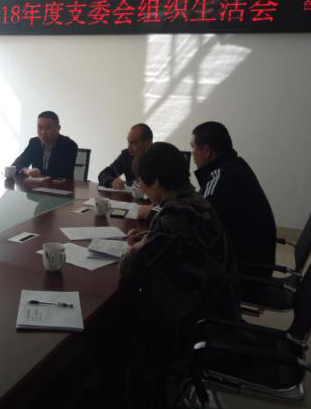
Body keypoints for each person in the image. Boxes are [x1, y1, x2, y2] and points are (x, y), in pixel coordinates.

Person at [113, 142, 238, 408]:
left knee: (117, 319)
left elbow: (129, 269)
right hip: (214, 304)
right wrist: (148, 239)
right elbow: (173, 244)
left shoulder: (175, 217)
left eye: (142, 182)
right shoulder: (194, 201)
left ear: (157, 181)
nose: (141, 189)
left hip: (192, 322)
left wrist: (133, 247)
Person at [191, 121, 277, 277]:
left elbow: (197, 225)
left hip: (240, 273)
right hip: (255, 263)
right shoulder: (236, 165)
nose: (192, 155)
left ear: (206, 151)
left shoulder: (220, 178)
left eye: (193, 148)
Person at [12, 111, 78, 179]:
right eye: (40, 128)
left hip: (60, 185)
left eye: (48, 128)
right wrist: (26, 170)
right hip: (36, 184)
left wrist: (39, 173)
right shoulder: (34, 143)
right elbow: (15, 165)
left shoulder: (69, 145)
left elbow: (63, 173)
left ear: (58, 128)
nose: (43, 132)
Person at [97, 123, 153, 188]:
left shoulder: (159, 157)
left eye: (133, 143)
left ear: (147, 143)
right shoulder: (127, 155)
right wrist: (112, 182)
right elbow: (104, 174)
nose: (129, 147)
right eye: (128, 142)